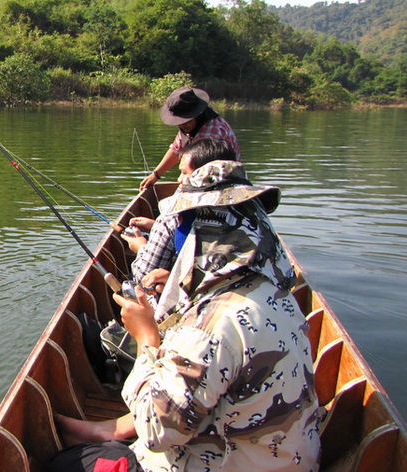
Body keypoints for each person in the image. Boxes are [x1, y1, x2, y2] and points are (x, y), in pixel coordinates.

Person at [53, 160, 320, 471]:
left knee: (70, 463)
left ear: (203, 232)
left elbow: (156, 432)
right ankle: (108, 430)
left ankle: (106, 434)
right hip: (285, 459)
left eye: (183, 225)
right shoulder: (274, 291)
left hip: (229, 462)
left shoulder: (214, 322)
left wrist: (146, 340)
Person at [124, 138, 238, 293]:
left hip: (197, 304)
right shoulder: (248, 212)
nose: (179, 179)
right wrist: (154, 226)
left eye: (184, 173)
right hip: (240, 296)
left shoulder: (171, 218)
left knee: (135, 289)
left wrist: (141, 247)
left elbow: (143, 277)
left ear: (201, 176)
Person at [139, 87, 240, 191]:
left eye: (186, 121)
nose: (183, 125)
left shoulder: (211, 133)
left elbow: (202, 172)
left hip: (221, 185)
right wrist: (155, 175)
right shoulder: (190, 126)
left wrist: (182, 187)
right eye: (179, 123)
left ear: (197, 114)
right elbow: (176, 149)